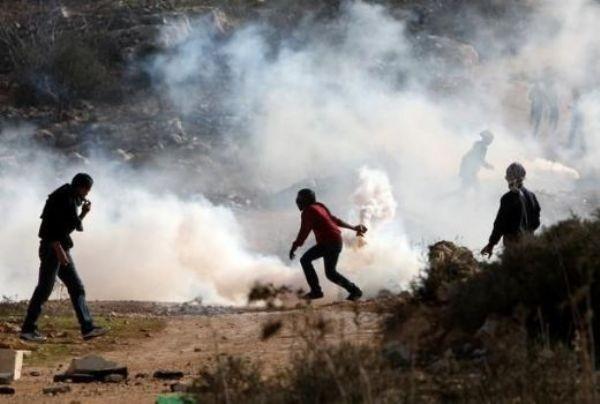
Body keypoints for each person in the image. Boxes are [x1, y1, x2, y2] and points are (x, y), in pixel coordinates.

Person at [20, 173, 108, 342]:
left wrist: (83, 214)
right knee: (44, 289)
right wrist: (58, 250)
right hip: (53, 249)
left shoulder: (70, 198)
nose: (87, 193)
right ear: (80, 187)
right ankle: (28, 329)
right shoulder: (62, 198)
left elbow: (67, 227)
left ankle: (87, 328)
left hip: (60, 248)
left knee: (76, 287)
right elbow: (49, 228)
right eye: (87, 189)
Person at [289, 189, 365, 301]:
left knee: (305, 260)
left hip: (328, 242)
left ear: (304, 200)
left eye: (299, 198)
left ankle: (316, 291)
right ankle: (355, 291)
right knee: (330, 273)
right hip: (336, 241)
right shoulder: (320, 207)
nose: (298, 201)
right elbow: (335, 220)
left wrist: (294, 246)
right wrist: (353, 228)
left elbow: (304, 231)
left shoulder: (308, 211)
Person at [481, 163, 541, 257]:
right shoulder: (531, 196)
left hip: (514, 244)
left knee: (514, 265)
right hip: (530, 242)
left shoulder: (508, 198)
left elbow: (500, 223)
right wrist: (528, 233)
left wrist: (491, 244)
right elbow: (536, 222)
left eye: (509, 177)